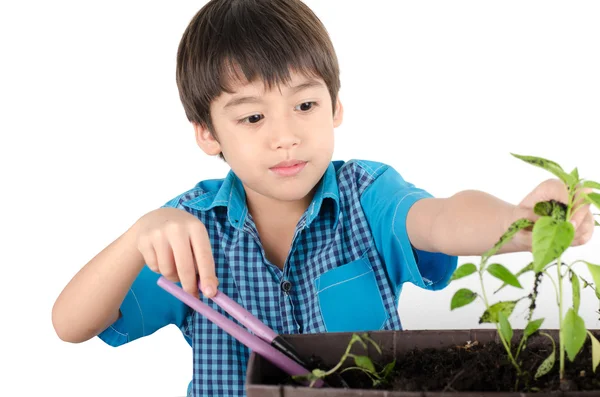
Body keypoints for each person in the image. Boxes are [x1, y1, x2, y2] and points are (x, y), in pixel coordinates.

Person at [51, 0, 595, 396]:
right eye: (253, 117)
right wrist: (135, 237)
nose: (285, 135)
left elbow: (442, 217)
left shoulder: (367, 195)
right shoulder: (189, 229)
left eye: (305, 106)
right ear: (208, 134)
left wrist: (517, 223)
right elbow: (70, 325)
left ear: (336, 107)